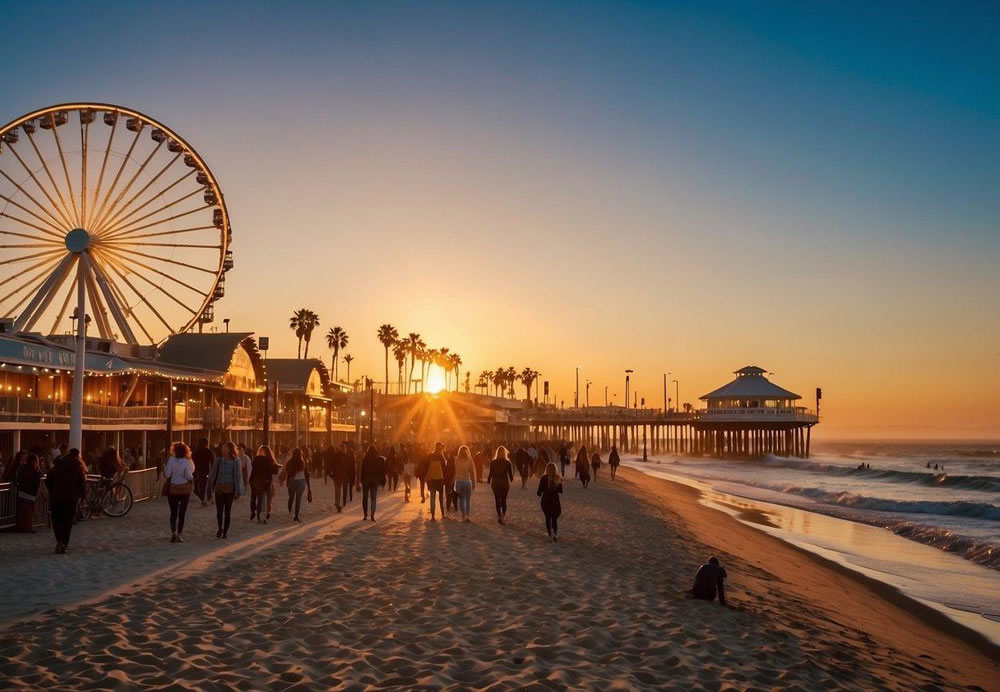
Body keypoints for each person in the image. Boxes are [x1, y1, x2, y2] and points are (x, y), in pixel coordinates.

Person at [45, 448, 87, 554]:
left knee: (57, 520)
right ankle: (64, 543)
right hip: (70, 498)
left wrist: (53, 490)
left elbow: (48, 480)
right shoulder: (77, 467)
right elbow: (82, 483)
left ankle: (59, 540)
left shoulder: (57, 466)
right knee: (67, 521)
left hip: (56, 497)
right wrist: (82, 495)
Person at [207, 441, 244, 538]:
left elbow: (238, 477)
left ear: (229, 449)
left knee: (227, 512)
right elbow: (212, 475)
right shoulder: (218, 460)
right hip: (219, 488)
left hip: (230, 489)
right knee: (219, 511)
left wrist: (237, 491)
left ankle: (225, 532)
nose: (222, 449)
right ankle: (220, 528)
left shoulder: (235, 461)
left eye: (224, 447)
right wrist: (209, 489)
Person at [162, 441, 195, 543]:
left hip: (173, 489)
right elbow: (190, 476)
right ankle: (180, 535)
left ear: (174, 450)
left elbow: (167, 474)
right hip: (184, 490)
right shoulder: (186, 461)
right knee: (182, 513)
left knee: (173, 513)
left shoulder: (171, 460)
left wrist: (165, 467)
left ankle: (174, 533)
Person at [250, 445, 279, 523]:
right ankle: (258, 514)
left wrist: (274, 466)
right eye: (261, 451)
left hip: (265, 481)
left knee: (265, 499)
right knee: (259, 499)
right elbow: (253, 470)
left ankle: (264, 513)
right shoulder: (256, 459)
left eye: (263, 451)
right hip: (258, 481)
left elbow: (274, 471)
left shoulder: (269, 460)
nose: (262, 452)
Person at [358, 445, 387, 521]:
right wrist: (382, 481)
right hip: (375, 480)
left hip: (366, 479)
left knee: (365, 497)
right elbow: (381, 471)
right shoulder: (378, 460)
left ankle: (365, 515)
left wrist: (361, 480)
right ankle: (372, 515)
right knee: (373, 498)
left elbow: (363, 470)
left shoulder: (365, 459)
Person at [15, 453, 42, 533]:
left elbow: (18, 477)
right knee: (28, 511)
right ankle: (27, 527)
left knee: (22, 511)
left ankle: (21, 526)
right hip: (30, 493)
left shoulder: (23, 467)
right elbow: (35, 480)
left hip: (22, 491)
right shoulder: (34, 470)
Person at [487, 445, 514, 524]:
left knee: (497, 500)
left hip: (495, 483)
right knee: (503, 500)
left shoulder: (493, 462)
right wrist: (511, 479)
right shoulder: (507, 462)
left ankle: (499, 515)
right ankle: (503, 516)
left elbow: (490, 473)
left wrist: (488, 480)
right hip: (504, 483)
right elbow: (511, 476)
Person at [537, 462, 563, 542]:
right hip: (555, 501)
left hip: (545, 501)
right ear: (555, 469)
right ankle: (555, 534)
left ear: (546, 469)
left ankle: (549, 534)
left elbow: (538, 493)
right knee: (554, 518)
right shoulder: (558, 477)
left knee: (548, 518)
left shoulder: (543, 478)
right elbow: (561, 491)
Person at [283, 447, 311, 522]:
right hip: (301, 482)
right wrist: (308, 486)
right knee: (298, 499)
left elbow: (288, 473)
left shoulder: (290, 462)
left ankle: (289, 509)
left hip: (292, 481)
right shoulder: (303, 462)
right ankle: (296, 515)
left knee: (291, 497)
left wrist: (287, 482)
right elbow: (307, 474)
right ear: (300, 454)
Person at [424, 442, 448, 520]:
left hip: (431, 479)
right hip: (440, 479)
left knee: (432, 498)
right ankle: (442, 513)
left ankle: (433, 516)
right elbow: (444, 469)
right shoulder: (441, 457)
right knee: (441, 497)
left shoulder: (430, 456)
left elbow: (427, 467)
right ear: (440, 448)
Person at [453, 445, 476, 522]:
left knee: (461, 499)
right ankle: (468, 515)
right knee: (468, 500)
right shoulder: (469, 460)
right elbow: (472, 472)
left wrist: (453, 481)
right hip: (467, 481)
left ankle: (463, 515)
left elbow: (455, 471)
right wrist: (473, 483)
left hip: (459, 481)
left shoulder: (456, 460)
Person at [192, 437, 215, 507]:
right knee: (207, 486)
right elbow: (213, 463)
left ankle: (202, 499)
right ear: (206, 444)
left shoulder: (195, 452)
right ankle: (208, 499)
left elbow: (192, 463)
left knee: (198, 487)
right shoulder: (210, 452)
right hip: (206, 472)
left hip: (196, 472)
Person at [333, 441, 354, 512]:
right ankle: (341, 504)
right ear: (344, 449)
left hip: (337, 476)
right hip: (344, 476)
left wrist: (332, 474)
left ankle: (337, 503)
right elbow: (350, 468)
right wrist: (351, 476)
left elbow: (331, 465)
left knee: (337, 490)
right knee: (343, 490)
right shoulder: (347, 457)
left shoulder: (336, 455)